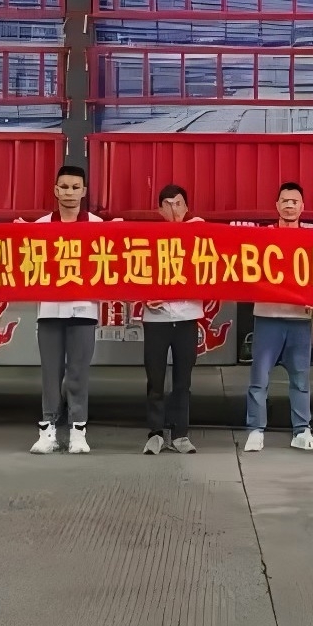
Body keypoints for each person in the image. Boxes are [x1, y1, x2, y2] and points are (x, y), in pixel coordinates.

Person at [244, 181, 313, 452]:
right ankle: (255, 430)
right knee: (260, 378)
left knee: (300, 379)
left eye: (294, 201)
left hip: (300, 318)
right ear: (276, 206)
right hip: (268, 316)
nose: (289, 206)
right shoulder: (262, 237)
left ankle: (302, 430)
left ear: (302, 206)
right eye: (285, 201)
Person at [32, 163, 102, 456]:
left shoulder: (98, 226)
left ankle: (78, 432)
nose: (70, 192)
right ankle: (47, 431)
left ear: (84, 191)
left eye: (75, 187)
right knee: (50, 374)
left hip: (84, 310)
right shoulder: (40, 226)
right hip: (49, 310)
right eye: (64, 187)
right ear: (55, 190)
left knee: (78, 374)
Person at [140, 183, 203, 455]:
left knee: (182, 381)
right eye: (167, 205)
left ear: (187, 207)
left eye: (178, 203)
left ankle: (180, 434)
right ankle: (155, 433)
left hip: (187, 318)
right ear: (159, 210)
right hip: (156, 319)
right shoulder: (149, 239)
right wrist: (145, 296)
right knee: (155, 379)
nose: (174, 209)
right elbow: (134, 272)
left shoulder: (198, 232)